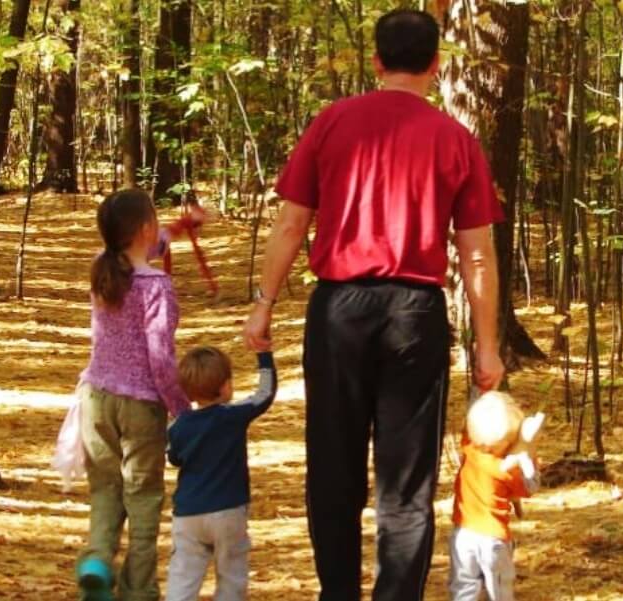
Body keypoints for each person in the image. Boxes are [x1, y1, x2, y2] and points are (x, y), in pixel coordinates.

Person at [243, 8, 505, 601]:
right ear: (436, 65)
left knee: (332, 467)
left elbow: (290, 224)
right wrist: (486, 348)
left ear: (377, 61)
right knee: (407, 483)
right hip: (416, 313)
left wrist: (264, 303)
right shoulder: (455, 140)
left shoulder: (332, 122)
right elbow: (478, 256)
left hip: (338, 310)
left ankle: (338, 593)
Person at [76, 189, 192, 601]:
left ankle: (96, 561)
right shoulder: (156, 287)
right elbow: (161, 358)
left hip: (95, 400)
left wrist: (175, 230)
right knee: (143, 499)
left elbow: (140, 247)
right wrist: (183, 409)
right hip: (141, 405)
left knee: (105, 489)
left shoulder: (100, 267)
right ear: (145, 228)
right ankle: (138, 590)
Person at [165, 346, 277, 601]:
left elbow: (173, 458)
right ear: (226, 387)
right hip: (229, 510)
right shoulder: (233, 416)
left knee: (183, 575)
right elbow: (264, 394)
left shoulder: (179, 426)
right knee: (232, 574)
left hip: (188, 513)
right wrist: (264, 355)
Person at [450, 392, 542, 601]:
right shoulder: (505, 470)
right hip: (493, 541)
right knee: (499, 589)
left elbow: (473, 412)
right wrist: (529, 452)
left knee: (464, 587)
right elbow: (530, 487)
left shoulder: (470, 447)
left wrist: (482, 386)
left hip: (463, 535)